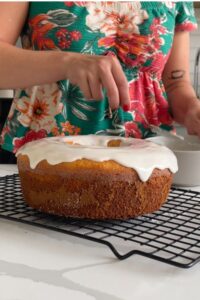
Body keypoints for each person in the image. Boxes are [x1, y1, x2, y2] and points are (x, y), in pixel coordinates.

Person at [0, 1, 199, 155]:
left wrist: (191, 109)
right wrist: (67, 63)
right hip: (45, 157)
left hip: (150, 158)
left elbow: (176, 83)